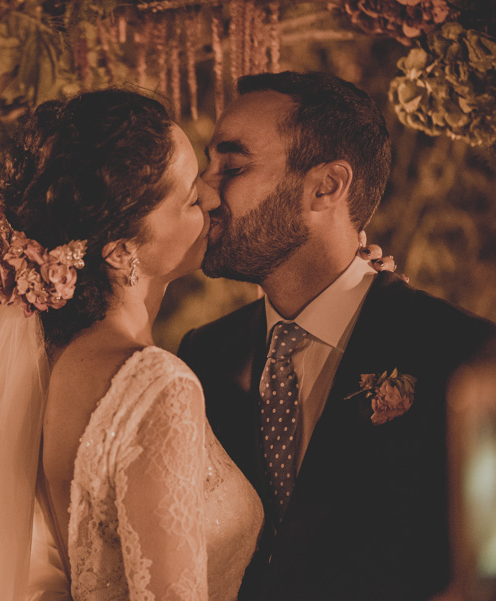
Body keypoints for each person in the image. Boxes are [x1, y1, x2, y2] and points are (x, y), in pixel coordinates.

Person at [0, 89, 263, 601]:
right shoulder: (158, 386)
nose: (213, 197)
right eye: (190, 198)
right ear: (119, 251)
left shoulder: (51, 366)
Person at [178, 71, 496, 601]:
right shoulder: (203, 355)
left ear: (326, 186)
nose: (206, 192)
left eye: (232, 165)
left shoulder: (461, 352)